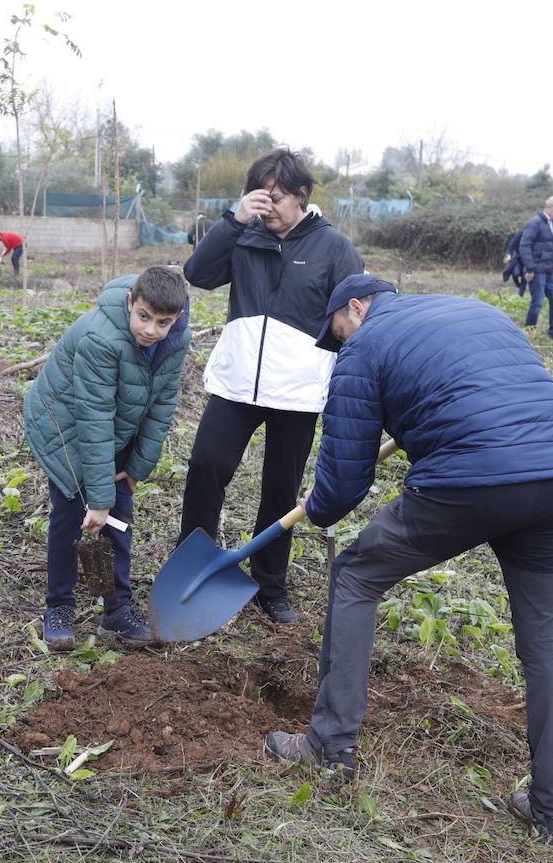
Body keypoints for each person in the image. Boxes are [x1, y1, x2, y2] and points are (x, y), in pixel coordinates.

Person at [263, 273, 553, 848]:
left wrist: (323, 500)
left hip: (472, 477)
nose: (337, 346)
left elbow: (340, 492)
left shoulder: (363, 348)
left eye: (335, 333)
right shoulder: (474, 309)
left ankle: (328, 747)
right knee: (546, 643)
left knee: (357, 574)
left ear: (356, 308)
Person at [179, 148, 363, 624]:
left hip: (298, 393)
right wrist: (233, 221)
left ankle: (270, 586)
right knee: (205, 469)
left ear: (302, 195)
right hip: (237, 384)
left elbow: (357, 317)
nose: (267, 208)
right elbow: (197, 274)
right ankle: (194, 570)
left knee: (280, 491)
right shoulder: (244, 236)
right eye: (259, 197)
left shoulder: (334, 248)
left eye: (277, 198)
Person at [24, 267, 191, 650]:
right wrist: (98, 500)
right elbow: (93, 417)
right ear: (131, 302)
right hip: (65, 423)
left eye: (163, 323)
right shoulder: (101, 338)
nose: (151, 330)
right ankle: (59, 606)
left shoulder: (176, 340)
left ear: (177, 318)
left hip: (116, 425)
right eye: (144, 317)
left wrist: (136, 468)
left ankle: (116, 611)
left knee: (119, 519)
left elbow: (163, 404)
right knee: (71, 517)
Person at [519, 196, 553, 344]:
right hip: (536, 269)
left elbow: (552, 247)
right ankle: (528, 332)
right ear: (548, 207)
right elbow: (524, 245)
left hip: (549, 269)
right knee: (538, 301)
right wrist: (529, 268)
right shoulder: (535, 223)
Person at [501, 229, 527, 296]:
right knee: (516, 273)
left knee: (525, 276)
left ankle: (521, 294)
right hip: (518, 258)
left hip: (528, 260)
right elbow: (511, 246)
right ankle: (519, 286)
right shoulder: (520, 234)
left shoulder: (536, 235)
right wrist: (508, 255)